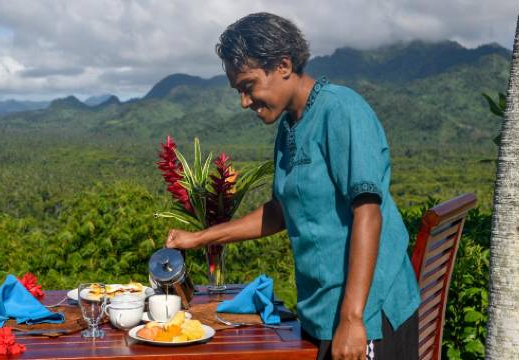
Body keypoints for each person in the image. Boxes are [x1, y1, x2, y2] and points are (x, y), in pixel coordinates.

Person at [165, 12, 420, 360]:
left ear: (283, 65)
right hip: (321, 311)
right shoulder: (289, 127)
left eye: (248, 85)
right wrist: (198, 238)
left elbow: (368, 213)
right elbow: (280, 212)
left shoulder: (341, 111)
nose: (244, 101)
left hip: (367, 313)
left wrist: (352, 317)